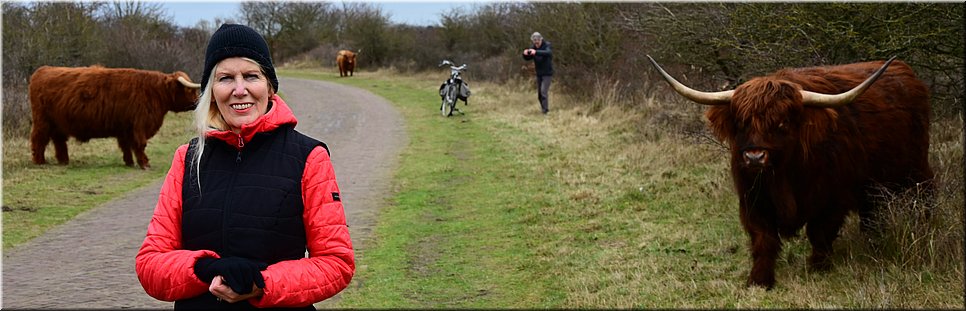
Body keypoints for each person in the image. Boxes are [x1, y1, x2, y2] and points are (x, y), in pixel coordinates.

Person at [135, 23, 354, 310]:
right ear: (211, 90)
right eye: (225, 78)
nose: (240, 90)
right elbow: (150, 263)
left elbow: (336, 263)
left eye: (251, 76)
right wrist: (203, 269)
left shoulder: (309, 156)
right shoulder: (187, 157)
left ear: (269, 86)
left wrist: (261, 284)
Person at [521, 31, 554, 115]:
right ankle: (543, 108)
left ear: (541, 39)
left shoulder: (547, 45)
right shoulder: (533, 47)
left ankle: (545, 111)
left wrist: (536, 52)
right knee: (539, 94)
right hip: (539, 73)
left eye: (537, 41)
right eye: (534, 42)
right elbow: (528, 58)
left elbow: (548, 53)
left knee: (543, 91)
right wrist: (525, 54)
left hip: (547, 73)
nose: (536, 43)